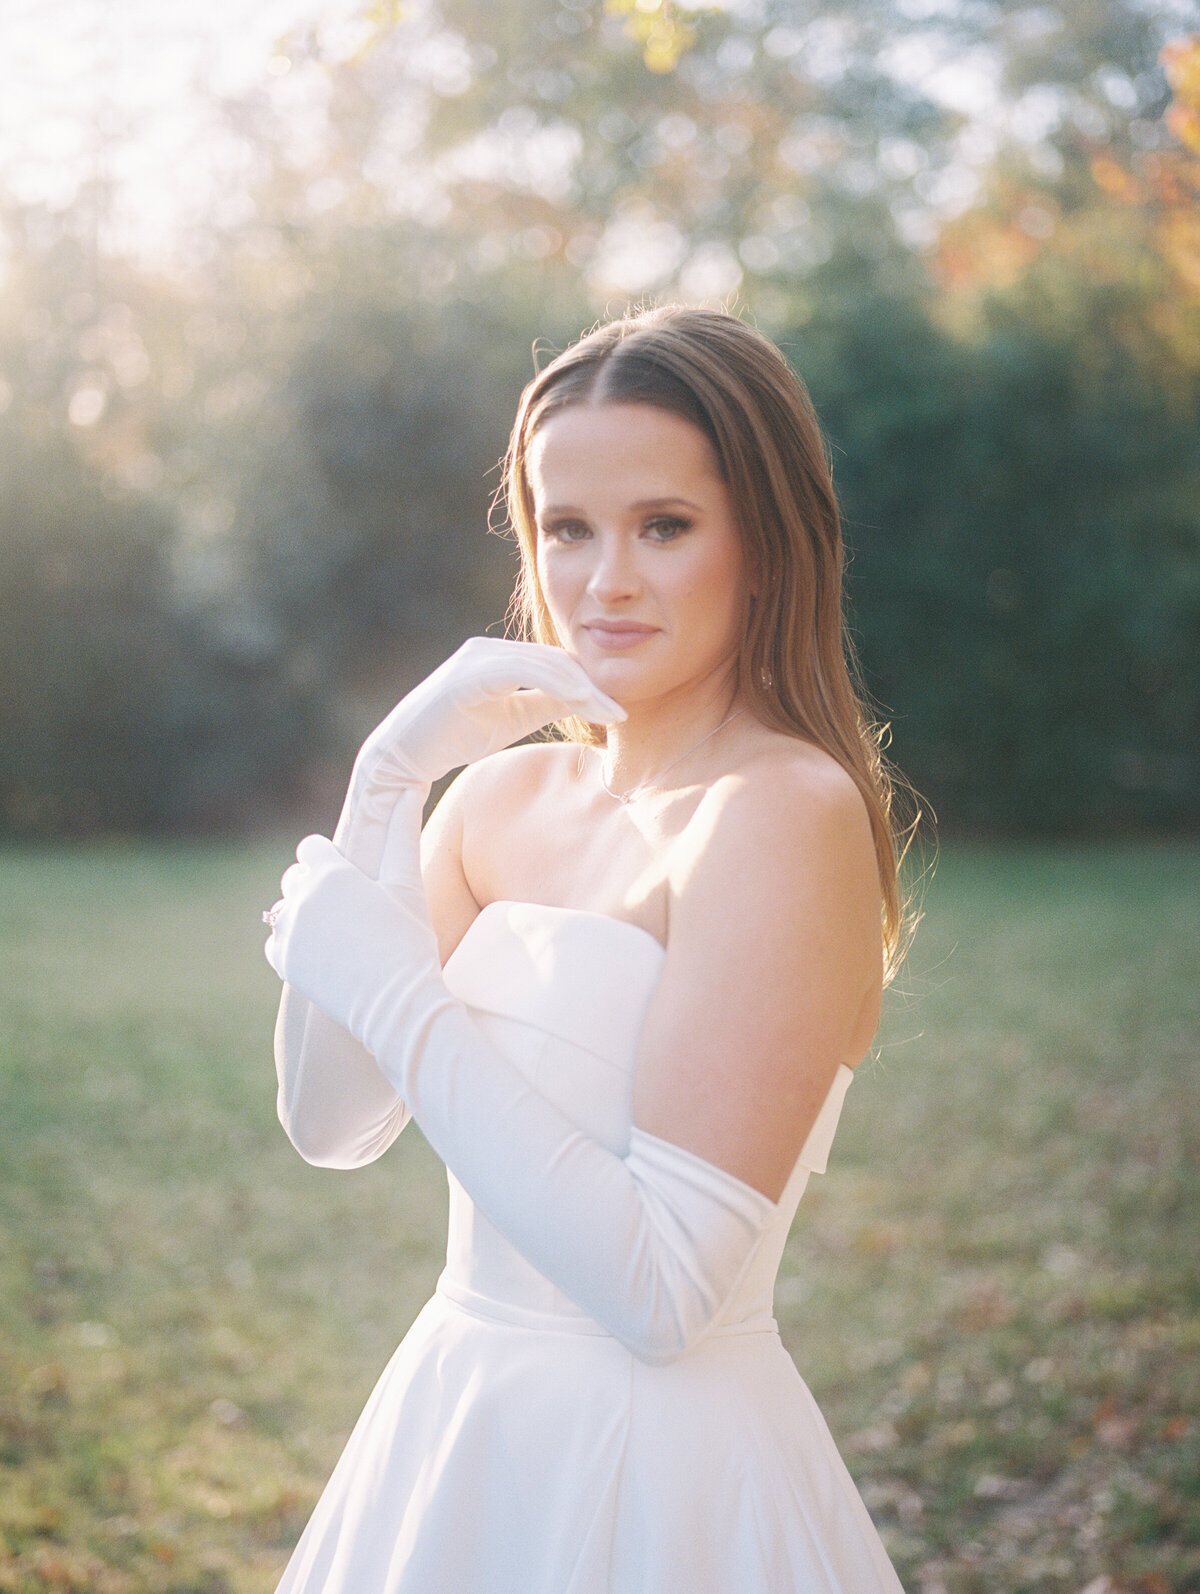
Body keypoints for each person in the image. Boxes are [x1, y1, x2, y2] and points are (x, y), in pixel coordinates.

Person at [263, 304, 917, 1593]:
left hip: (658, 1471)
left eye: (663, 527)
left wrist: (396, 991)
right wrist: (389, 779)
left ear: (765, 548)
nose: (604, 581)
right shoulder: (498, 804)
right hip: (456, 1424)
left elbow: (662, 1293)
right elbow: (328, 1122)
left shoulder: (781, 814)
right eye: (567, 527)